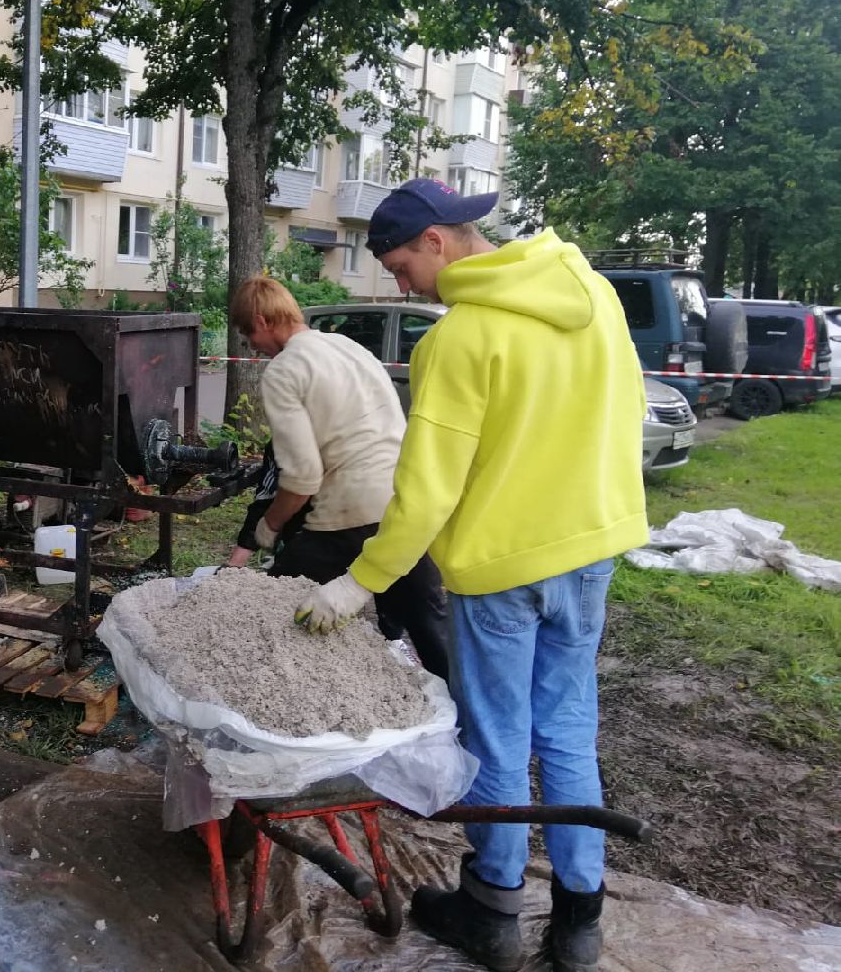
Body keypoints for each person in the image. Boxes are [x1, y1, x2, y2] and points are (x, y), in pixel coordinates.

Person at [292, 179, 648, 972]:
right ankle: (578, 920)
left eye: (396, 265)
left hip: (504, 566)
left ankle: (490, 907)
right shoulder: (587, 291)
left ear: (436, 242)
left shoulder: (457, 341)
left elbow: (424, 493)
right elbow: (624, 410)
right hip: (591, 549)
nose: (398, 283)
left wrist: (358, 583)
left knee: (494, 733)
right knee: (565, 727)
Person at [229, 276, 450, 681]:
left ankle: (256, 697)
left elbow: (302, 477)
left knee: (269, 610)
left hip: (347, 512)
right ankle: (469, 725)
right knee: (431, 627)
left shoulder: (285, 370)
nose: (253, 348)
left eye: (248, 337)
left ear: (261, 321)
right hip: (404, 503)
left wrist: (269, 526)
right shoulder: (348, 347)